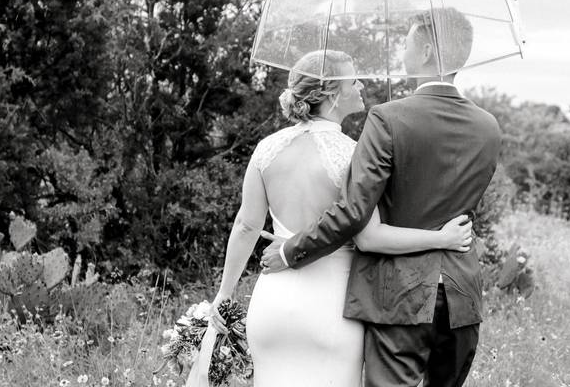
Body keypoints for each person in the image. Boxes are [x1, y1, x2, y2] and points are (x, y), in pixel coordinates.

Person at [196, 48, 475, 387]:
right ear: (331, 92)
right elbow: (370, 237)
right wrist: (441, 239)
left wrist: (224, 295)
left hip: (272, 302)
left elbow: (246, 226)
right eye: (352, 79)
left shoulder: (267, 148)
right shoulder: (354, 153)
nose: (360, 85)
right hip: (331, 305)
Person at [262, 7, 502, 387]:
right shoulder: (489, 127)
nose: (400, 53)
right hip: (462, 297)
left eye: (405, 43)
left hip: (399, 298)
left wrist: (292, 250)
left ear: (425, 53)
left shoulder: (388, 119)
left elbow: (355, 211)